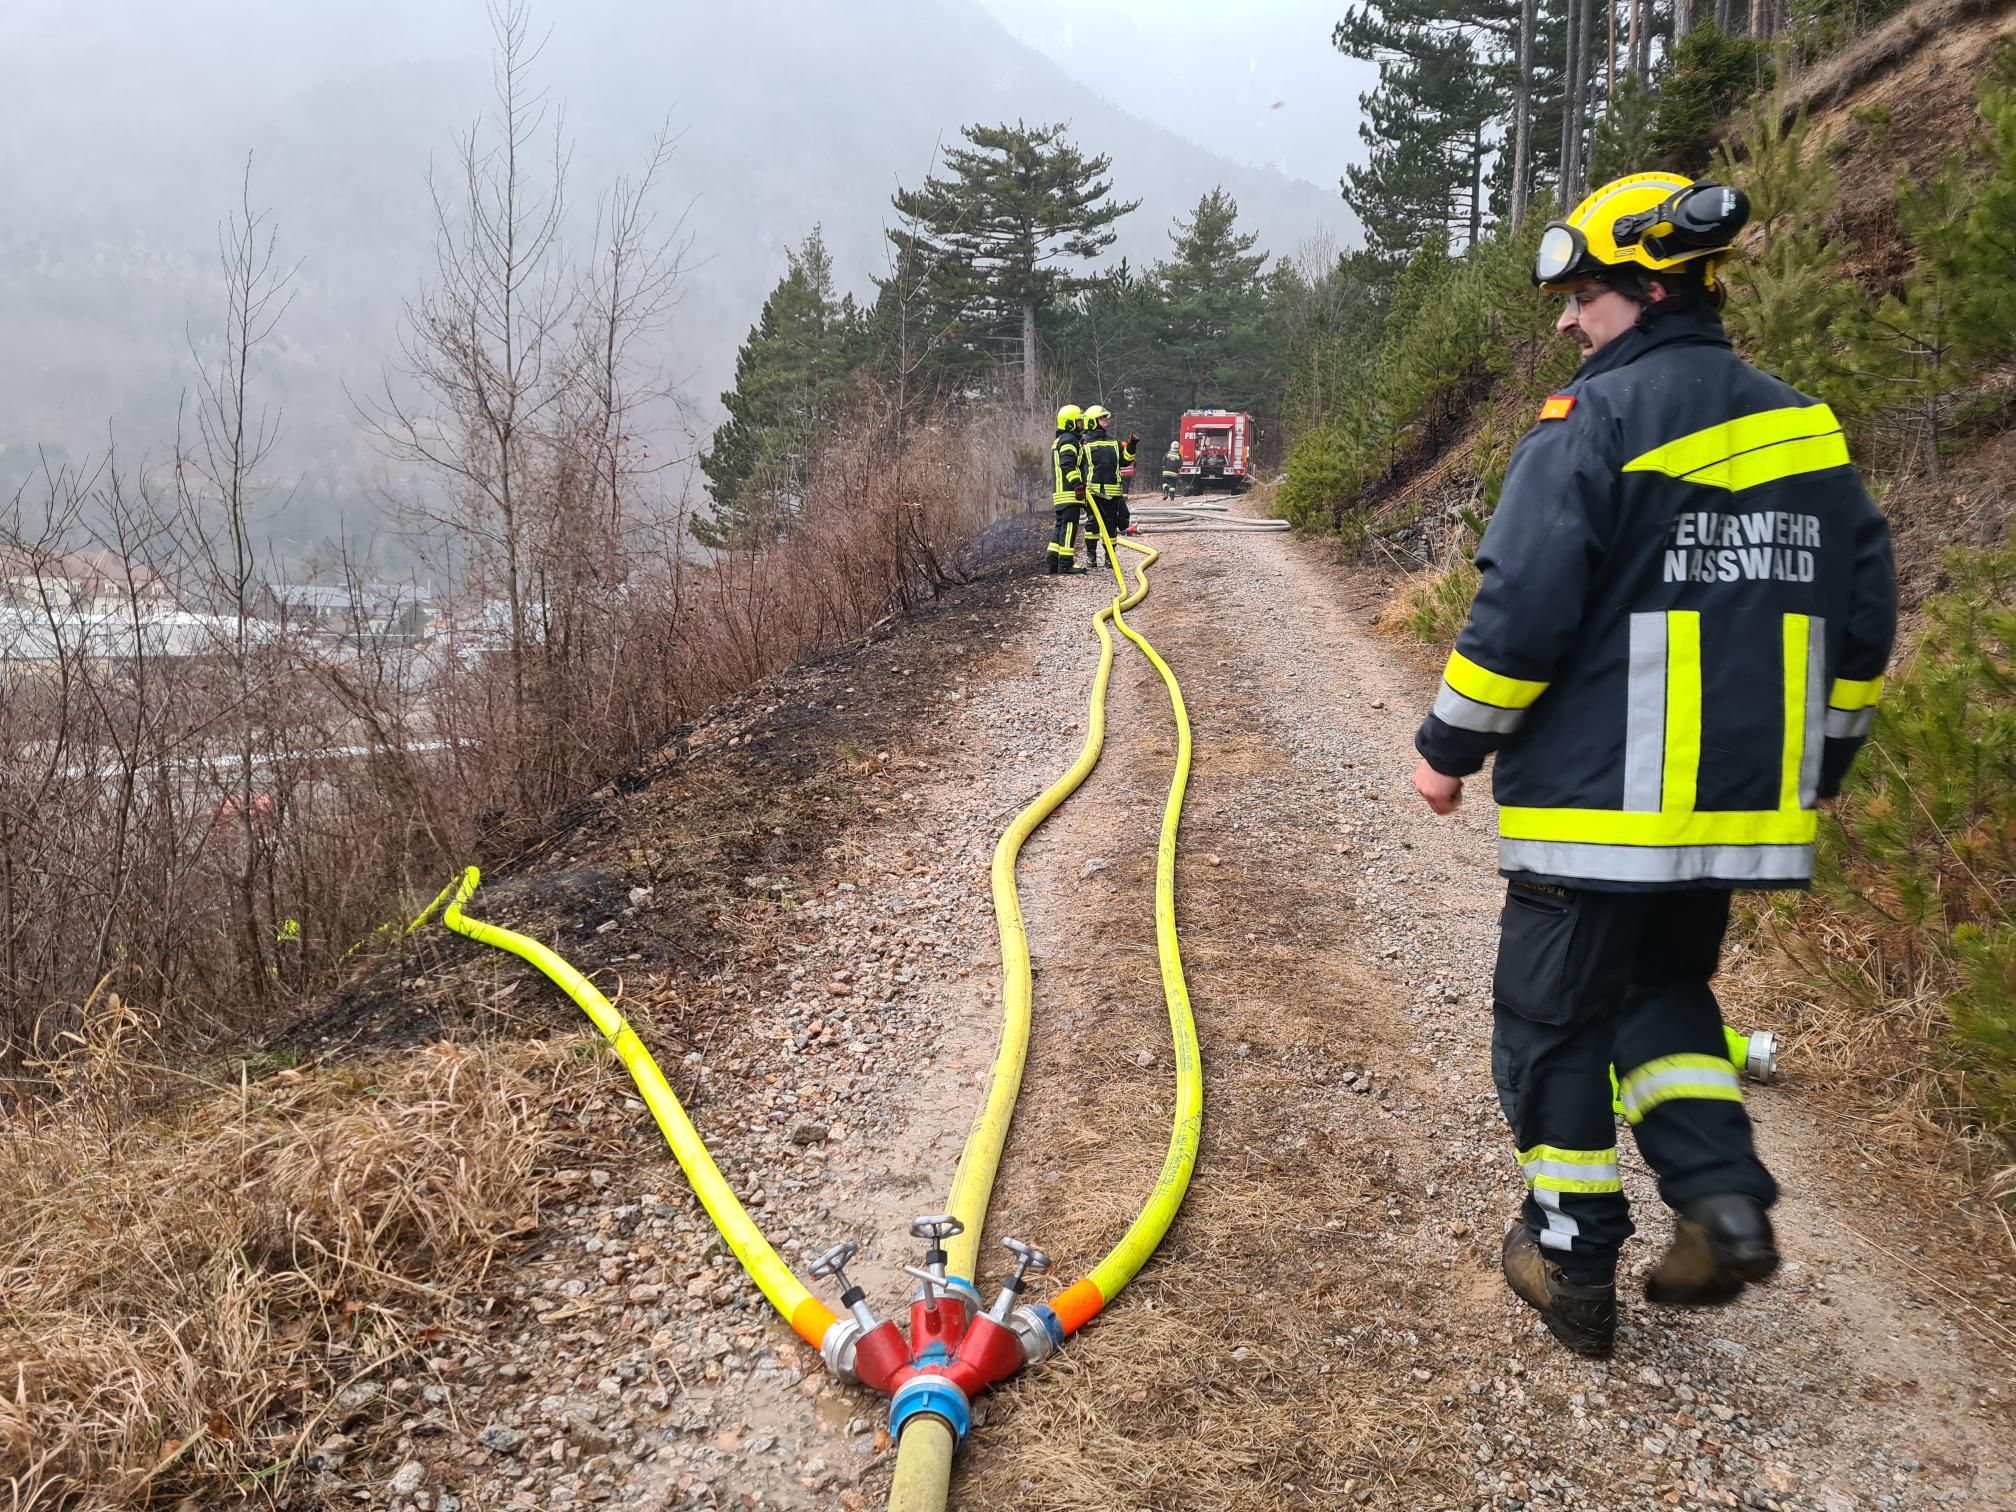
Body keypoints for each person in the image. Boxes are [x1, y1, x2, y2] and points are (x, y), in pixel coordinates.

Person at [1407, 173, 1897, 1359]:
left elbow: (1524, 604)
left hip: (1599, 802)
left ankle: (1569, 1257)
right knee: (1662, 999)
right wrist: (1823, 759)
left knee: (1549, 1027)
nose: (1568, 323)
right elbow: (1867, 610)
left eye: (1582, 296)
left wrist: (1447, 746)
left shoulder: (1597, 420)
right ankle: (1723, 1197)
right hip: (1735, 807)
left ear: (1648, 285)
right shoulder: (1804, 427)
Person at [1078, 405, 1139, 569]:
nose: (1106, 421)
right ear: (1092, 422)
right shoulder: (1083, 443)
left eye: (1106, 418)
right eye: (1103, 418)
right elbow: (1076, 466)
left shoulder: (1114, 442)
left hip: (1112, 493)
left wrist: (1132, 445)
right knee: (1092, 525)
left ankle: (1109, 557)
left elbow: (1126, 460)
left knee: (1110, 526)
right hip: (1093, 493)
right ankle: (1091, 557)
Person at [1047, 405, 1088, 576]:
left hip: (1060, 493)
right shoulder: (1069, 440)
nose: (1081, 425)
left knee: (1060, 526)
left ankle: (1052, 561)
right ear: (1070, 423)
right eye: (1079, 422)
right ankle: (1065, 563)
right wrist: (1078, 484)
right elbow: (1067, 464)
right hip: (1069, 492)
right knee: (1070, 526)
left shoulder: (1061, 440)